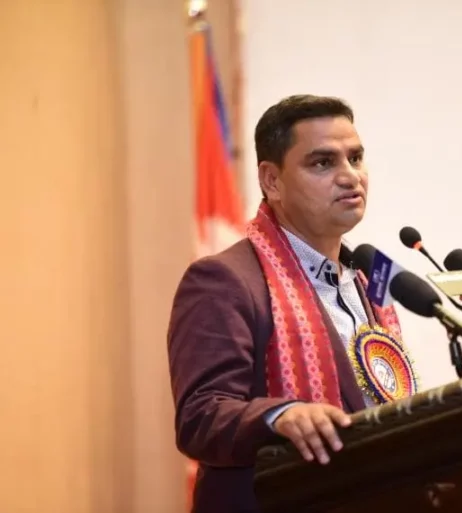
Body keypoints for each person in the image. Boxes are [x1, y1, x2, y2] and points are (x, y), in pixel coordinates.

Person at [167, 94, 418, 513]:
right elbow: (201, 416)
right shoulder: (224, 280)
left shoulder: (370, 277)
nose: (349, 176)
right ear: (272, 181)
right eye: (323, 163)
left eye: (355, 158)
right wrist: (281, 416)